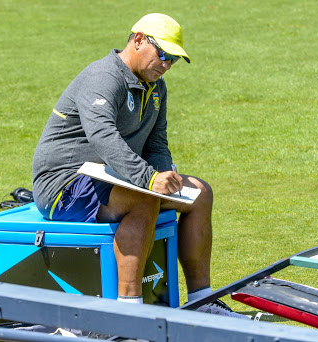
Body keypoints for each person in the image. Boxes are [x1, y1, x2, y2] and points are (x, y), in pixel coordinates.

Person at [32, 13, 248, 319]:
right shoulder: (103, 77)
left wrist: (165, 175)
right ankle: (131, 317)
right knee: (145, 198)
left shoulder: (156, 87)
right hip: (63, 185)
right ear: (137, 40)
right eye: (162, 54)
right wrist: (149, 180)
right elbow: (102, 137)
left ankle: (204, 303)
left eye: (173, 59)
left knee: (200, 193)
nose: (166, 65)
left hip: (112, 179)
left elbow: (156, 144)